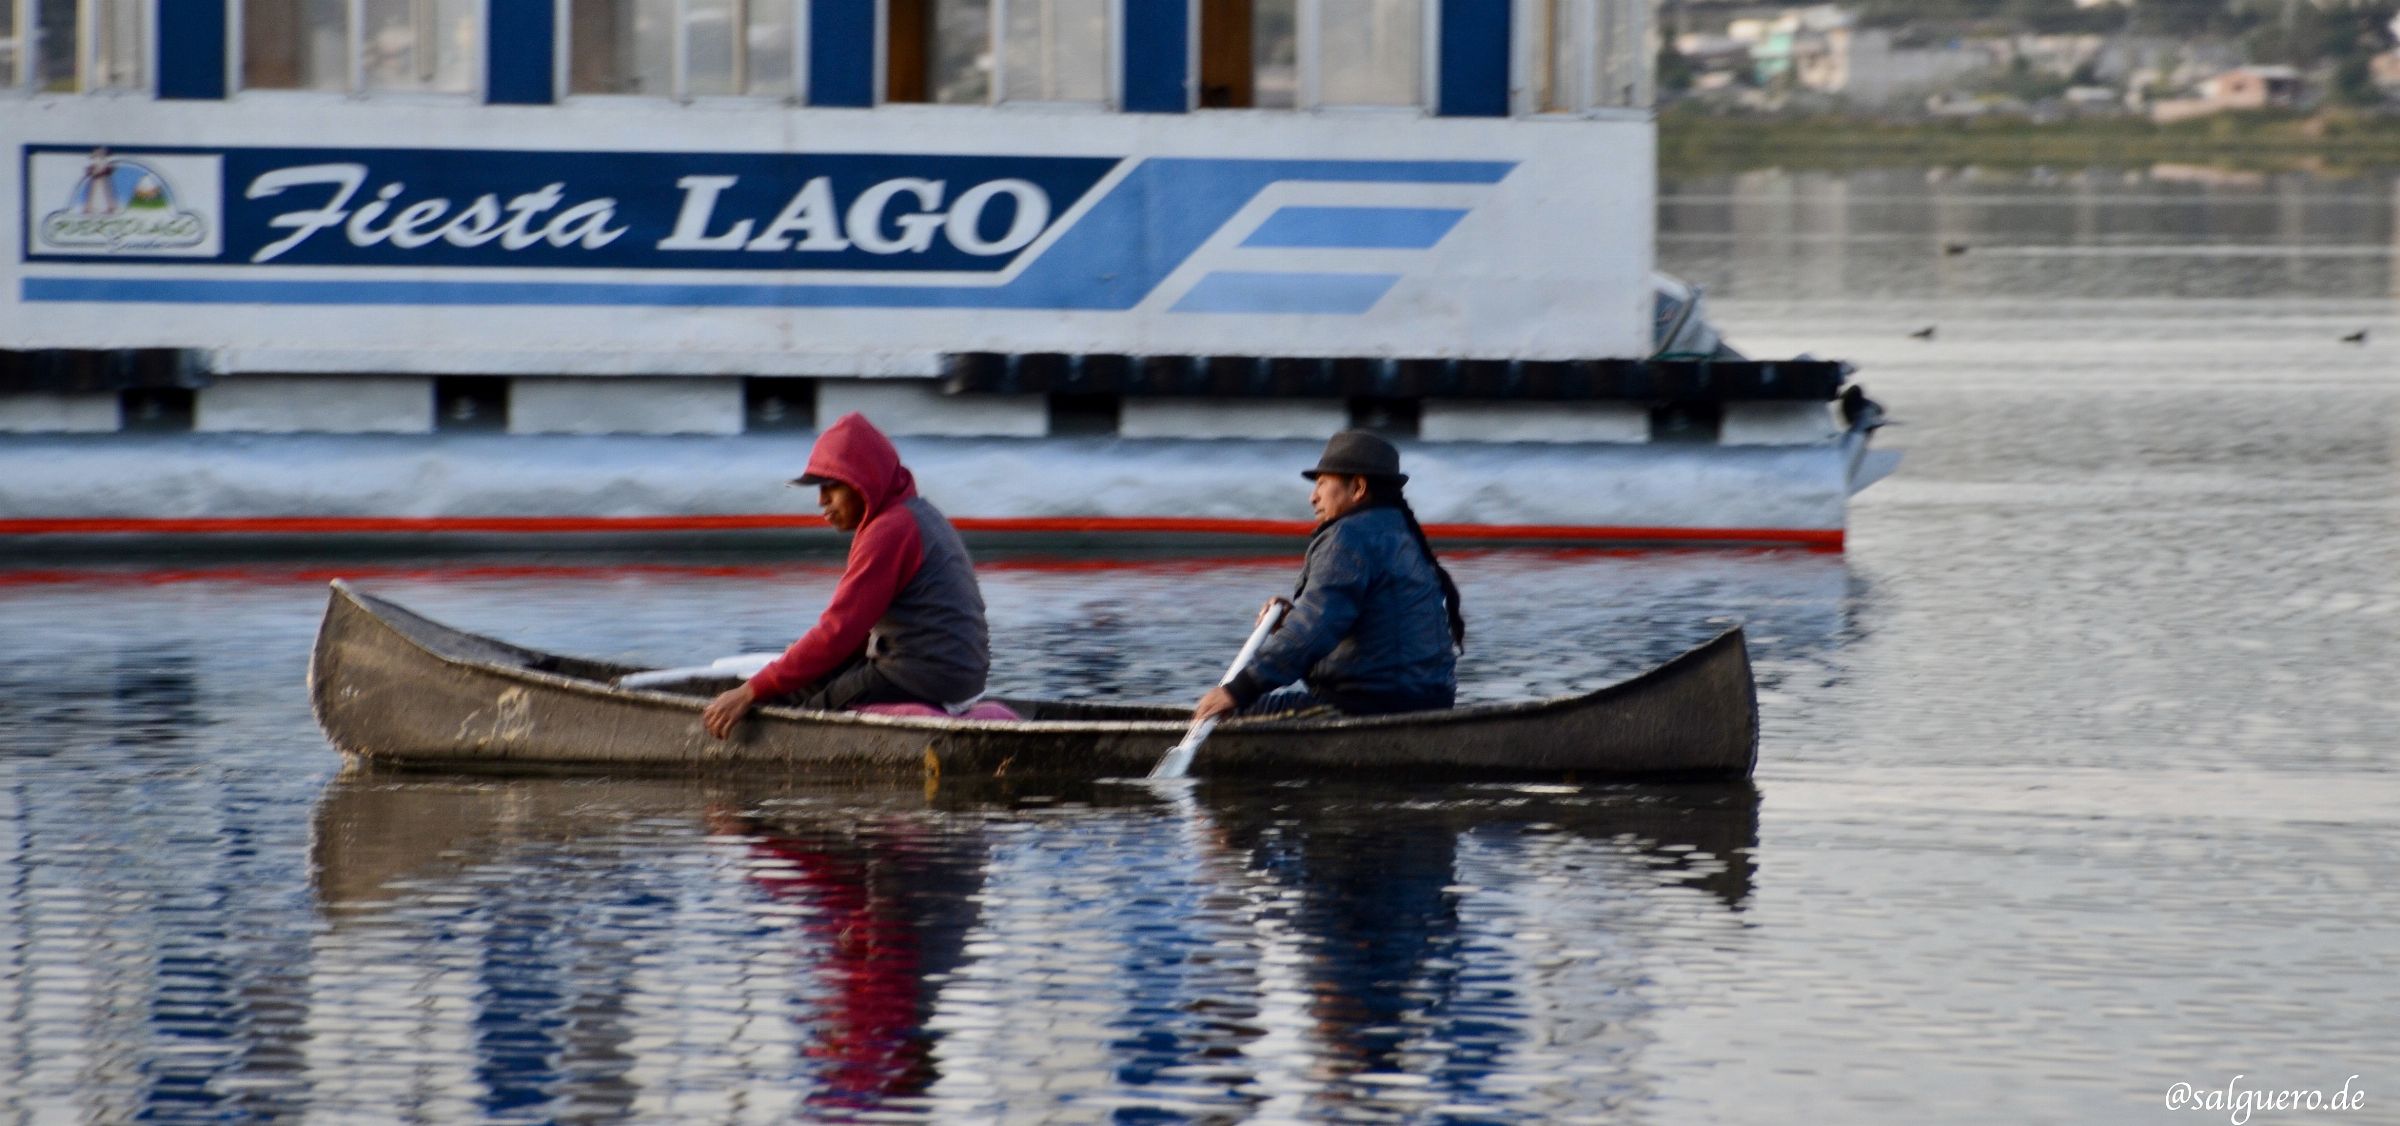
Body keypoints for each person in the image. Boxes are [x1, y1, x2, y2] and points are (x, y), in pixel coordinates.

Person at [704, 413, 989, 738]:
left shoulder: (890, 530)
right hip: (955, 674)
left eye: (831, 486)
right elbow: (850, 638)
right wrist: (790, 668)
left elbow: (837, 633)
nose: (820, 500)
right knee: (808, 681)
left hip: (923, 674)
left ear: (863, 482)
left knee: (807, 719)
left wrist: (748, 692)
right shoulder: (917, 514)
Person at [1192, 430, 1464, 722]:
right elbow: (1357, 621)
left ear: (1358, 487)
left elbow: (1313, 629)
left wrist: (1237, 691)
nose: (1313, 497)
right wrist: (1289, 621)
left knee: (1228, 715)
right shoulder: (1403, 536)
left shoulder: (1348, 536)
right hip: (1429, 701)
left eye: (1322, 483)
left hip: (1367, 705)